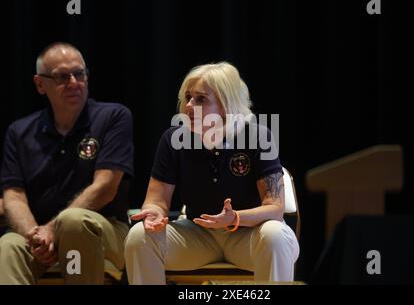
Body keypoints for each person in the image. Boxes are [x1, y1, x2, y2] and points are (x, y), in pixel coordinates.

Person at [124, 62, 299, 284]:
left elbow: (275, 208)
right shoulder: (173, 139)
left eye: (200, 99)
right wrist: (153, 213)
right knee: (140, 236)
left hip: (248, 236)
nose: (189, 105)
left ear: (227, 105)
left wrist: (234, 218)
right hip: (198, 236)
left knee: (276, 236)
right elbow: (157, 201)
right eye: (187, 97)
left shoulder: (257, 136)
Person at [0, 42, 134, 284]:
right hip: (40, 232)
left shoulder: (113, 116)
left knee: (73, 222)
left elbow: (105, 187)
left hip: (105, 229)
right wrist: (35, 237)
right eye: (62, 77)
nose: (74, 83)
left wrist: (52, 229)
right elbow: (13, 196)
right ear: (40, 84)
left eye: (79, 74)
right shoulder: (19, 132)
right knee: (8, 245)